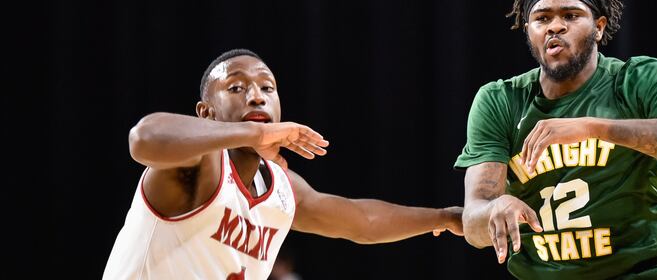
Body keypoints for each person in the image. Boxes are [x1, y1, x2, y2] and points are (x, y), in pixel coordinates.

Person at [455, 0, 657, 279]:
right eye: (542, 19)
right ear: (528, 30)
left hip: (643, 273)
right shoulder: (500, 101)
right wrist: (494, 209)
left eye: (570, 15)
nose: (555, 26)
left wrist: (594, 128)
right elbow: (473, 223)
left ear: (599, 27)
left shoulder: (638, 79)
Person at [104, 48, 463, 279]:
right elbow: (143, 138)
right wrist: (251, 134)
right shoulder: (198, 163)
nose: (256, 95)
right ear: (206, 112)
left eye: (268, 87)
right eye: (236, 88)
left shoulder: (280, 189)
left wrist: (445, 217)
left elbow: (361, 221)